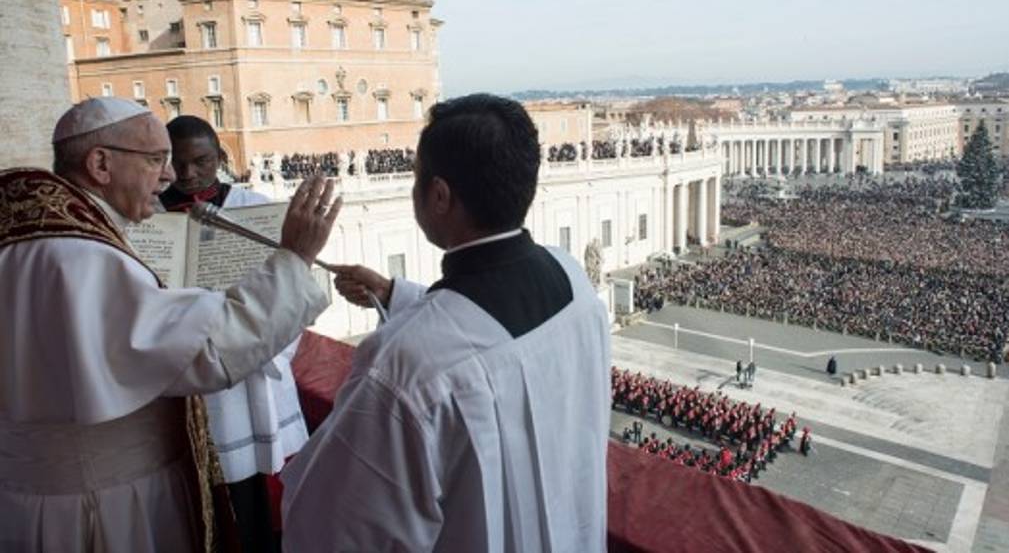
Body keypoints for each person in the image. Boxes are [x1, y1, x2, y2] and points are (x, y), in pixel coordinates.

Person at [0, 97, 339, 552]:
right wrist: (295, 261)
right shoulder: (81, 256)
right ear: (101, 163)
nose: (169, 176)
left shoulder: (27, 239)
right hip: (106, 505)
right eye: (157, 159)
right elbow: (207, 350)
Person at [282, 94, 612, 552]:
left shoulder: (402, 363)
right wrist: (395, 296)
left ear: (438, 196)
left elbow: (334, 527)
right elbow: (493, 342)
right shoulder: (572, 279)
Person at [160, 115, 309, 552]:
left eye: (201, 161)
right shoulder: (150, 217)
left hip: (254, 367)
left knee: (265, 499)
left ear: (221, 158)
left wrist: (264, 346)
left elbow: (290, 285)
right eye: (178, 163)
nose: (188, 174)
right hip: (190, 365)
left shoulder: (253, 206)